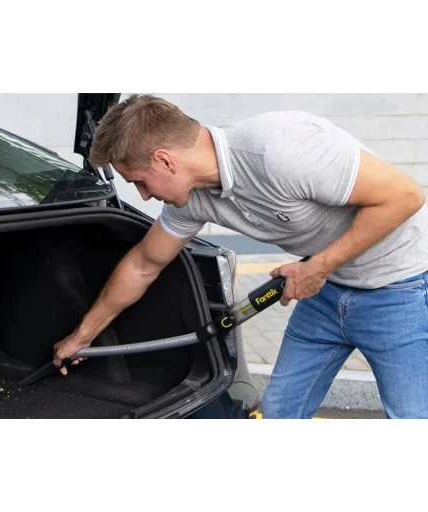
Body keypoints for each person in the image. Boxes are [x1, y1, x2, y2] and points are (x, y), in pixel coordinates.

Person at [54, 94, 428, 419]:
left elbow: (405, 196)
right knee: (281, 411)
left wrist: (318, 266)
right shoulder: (191, 200)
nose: (144, 196)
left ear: (165, 160)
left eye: (139, 181)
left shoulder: (280, 149)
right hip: (326, 289)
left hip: (401, 289)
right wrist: (81, 336)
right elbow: (143, 264)